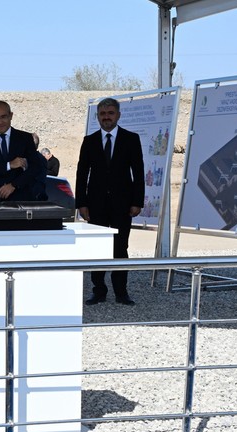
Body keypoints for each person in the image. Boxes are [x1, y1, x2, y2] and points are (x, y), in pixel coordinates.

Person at [75, 97, 145, 306]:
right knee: (97, 249)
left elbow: (138, 172)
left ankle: (121, 292)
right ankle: (98, 290)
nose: (106, 117)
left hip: (122, 205)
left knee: (120, 248)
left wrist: (137, 202)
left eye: (110, 113)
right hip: (95, 205)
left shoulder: (131, 139)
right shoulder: (89, 141)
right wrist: (82, 203)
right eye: (102, 114)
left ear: (118, 115)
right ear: (97, 117)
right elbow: (82, 174)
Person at [0, 101, 46, 206]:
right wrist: (9, 165)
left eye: (3, 117)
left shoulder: (25, 139)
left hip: (21, 200)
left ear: (11, 116)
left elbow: (35, 167)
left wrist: (13, 185)